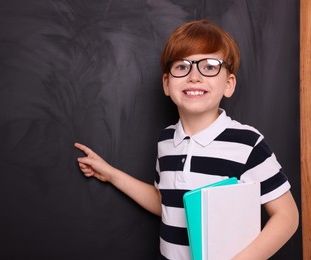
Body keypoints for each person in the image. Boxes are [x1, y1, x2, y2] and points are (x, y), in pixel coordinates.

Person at [74, 19, 299, 260]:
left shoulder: (247, 143)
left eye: (210, 66)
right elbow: (166, 204)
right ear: (166, 84)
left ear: (229, 84)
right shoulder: (166, 141)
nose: (194, 76)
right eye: (182, 67)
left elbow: (287, 217)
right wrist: (111, 174)